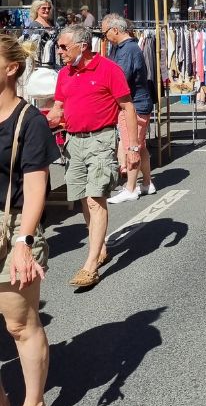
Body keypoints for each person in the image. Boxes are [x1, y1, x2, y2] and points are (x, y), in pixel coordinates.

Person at [46, 25, 140, 288]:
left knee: (95, 198)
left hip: (101, 139)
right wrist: (43, 119)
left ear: (82, 46)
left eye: (64, 46)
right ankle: (99, 248)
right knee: (84, 201)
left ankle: (90, 265)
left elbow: (127, 107)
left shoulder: (109, 69)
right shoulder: (65, 73)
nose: (59, 51)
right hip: (73, 142)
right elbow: (59, 107)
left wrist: (132, 147)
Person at [0, 35, 59, 406]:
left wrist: (24, 241)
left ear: (10, 68)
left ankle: (33, 403)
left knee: (19, 323)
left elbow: (36, 184)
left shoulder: (29, 120)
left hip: (14, 224)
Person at [103, 14, 155, 204]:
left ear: (115, 30)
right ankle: (147, 183)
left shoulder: (128, 49)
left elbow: (120, 78)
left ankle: (131, 188)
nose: (104, 37)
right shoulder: (123, 47)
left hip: (134, 105)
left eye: (105, 32)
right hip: (137, 103)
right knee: (140, 146)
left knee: (131, 146)